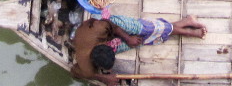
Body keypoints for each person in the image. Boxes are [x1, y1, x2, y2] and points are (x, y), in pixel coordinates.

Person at [73, 15, 208, 86]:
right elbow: (76, 72)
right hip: (104, 40)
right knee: (143, 40)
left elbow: (111, 25)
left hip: (114, 25)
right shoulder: (86, 65)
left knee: (146, 30)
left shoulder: (95, 30)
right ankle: (184, 22)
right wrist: (104, 78)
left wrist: (127, 37)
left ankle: (186, 30)